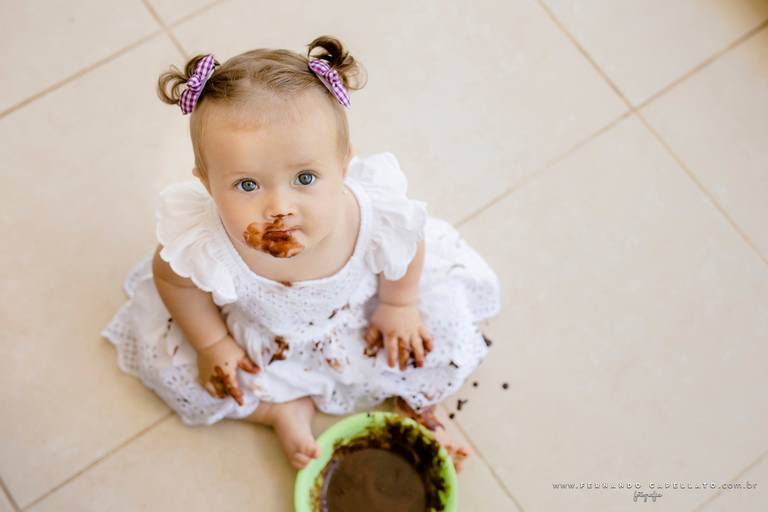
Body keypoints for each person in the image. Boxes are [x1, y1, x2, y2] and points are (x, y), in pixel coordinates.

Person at [101, 35, 501, 472]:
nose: (279, 207)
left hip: (354, 317)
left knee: (430, 343)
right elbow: (172, 280)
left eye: (305, 178)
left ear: (343, 166)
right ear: (208, 185)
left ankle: (419, 404)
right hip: (257, 333)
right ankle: (279, 411)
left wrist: (398, 304)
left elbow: (409, 244)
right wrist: (212, 343)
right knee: (184, 371)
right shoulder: (206, 242)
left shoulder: (369, 216)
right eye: (247, 185)